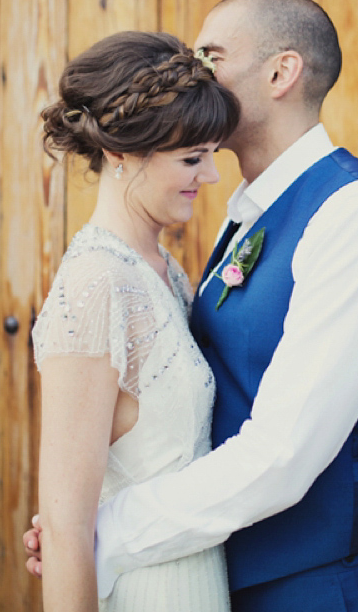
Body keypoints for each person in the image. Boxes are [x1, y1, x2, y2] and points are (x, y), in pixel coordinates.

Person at [28, 0, 358, 612]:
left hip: (313, 591)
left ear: (281, 73)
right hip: (204, 579)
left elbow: (283, 454)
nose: (192, 72)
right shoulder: (241, 216)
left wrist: (100, 531)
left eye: (211, 55)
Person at [33, 31, 240, 611]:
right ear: (122, 154)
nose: (211, 176)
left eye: (212, 155)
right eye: (191, 159)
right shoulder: (97, 285)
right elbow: (65, 526)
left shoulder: (164, 270)